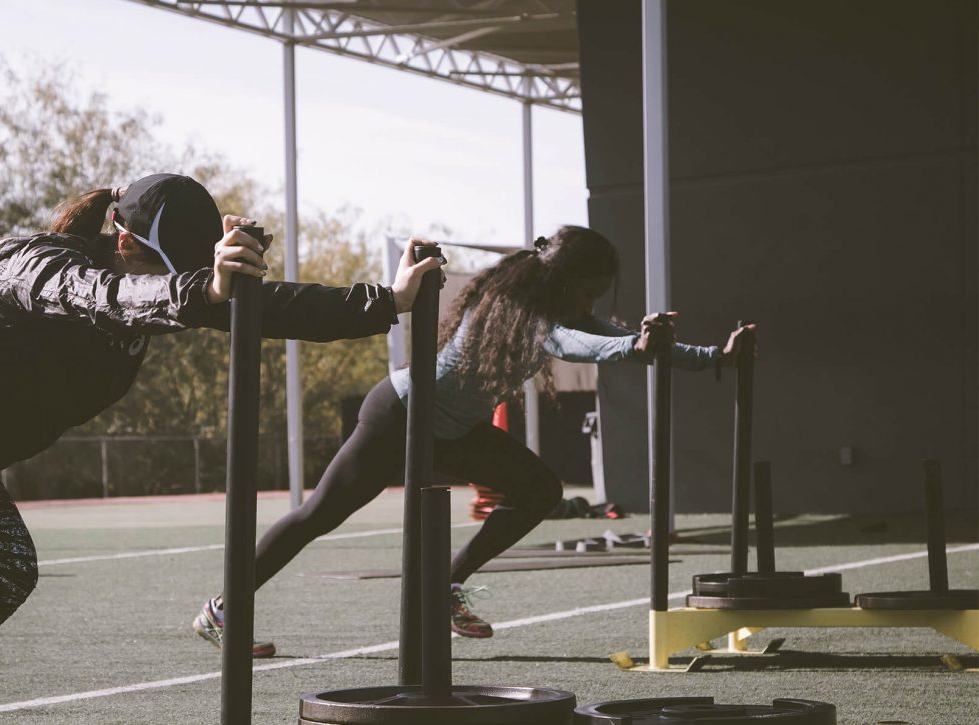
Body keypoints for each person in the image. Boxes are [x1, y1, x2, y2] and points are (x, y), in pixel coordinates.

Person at [0, 173, 443, 725]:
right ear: (123, 242)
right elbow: (110, 299)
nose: (172, 284)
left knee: (4, 569)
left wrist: (389, 300)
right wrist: (202, 291)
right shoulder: (42, 269)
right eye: (164, 269)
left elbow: (268, 307)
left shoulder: (157, 287)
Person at [194, 225, 754, 657]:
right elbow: (577, 344)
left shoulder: (557, 308)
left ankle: (444, 584)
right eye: (589, 292)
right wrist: (632, 347)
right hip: (400, 416)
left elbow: (613, 336)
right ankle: (221, 609)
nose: (592, 304)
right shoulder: (518, 308)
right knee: (317, 516)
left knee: (539, 490)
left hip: (453, 432)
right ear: (565, 281)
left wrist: (714, 357)